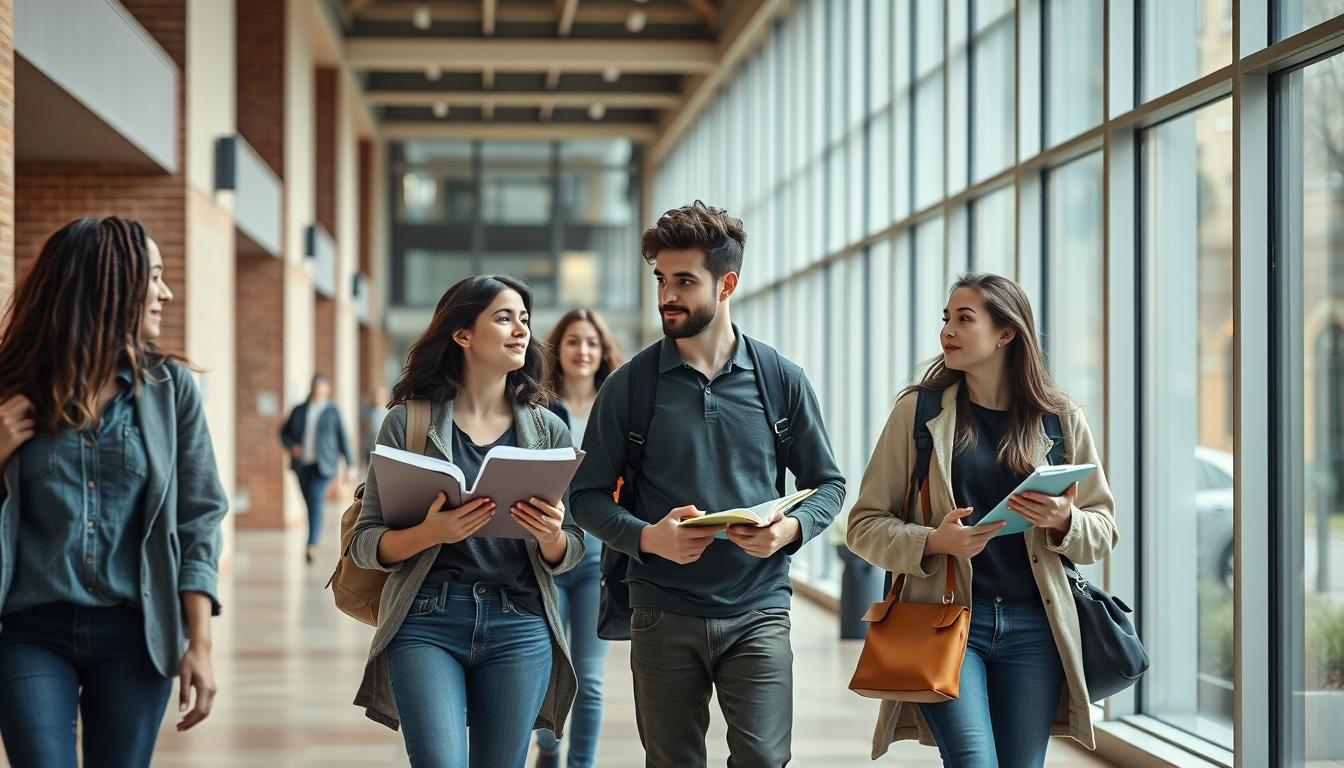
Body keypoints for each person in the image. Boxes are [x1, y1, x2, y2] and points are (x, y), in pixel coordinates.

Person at [570, 201, 846, 767]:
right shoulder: (629, 387)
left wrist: (790, 530)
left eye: (684, 281)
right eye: (661, 280)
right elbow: (585, 497)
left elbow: (830, 485)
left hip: (760, 607)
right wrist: (649, 538)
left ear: (727, 284)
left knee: (765, 759)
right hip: (661, 610)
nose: (666, 295)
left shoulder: (780, 380)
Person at [846, 273, 1119, 767]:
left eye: (963, 319)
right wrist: (933, 541)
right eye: (946, 319)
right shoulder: (918, 413)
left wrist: (1063, 520)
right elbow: (863, 524)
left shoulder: (1060, 419)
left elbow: (1103, 532)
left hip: (1036, 628)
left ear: (1006, 333)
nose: (947, 330)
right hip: (946, 622)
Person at [0, 217, 228, 767]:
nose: (165, 293)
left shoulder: (172, 392)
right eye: (152, 277)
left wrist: (200, 643)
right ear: (109, 284)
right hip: (29, 630)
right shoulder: (11, 388)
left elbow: (199, 518)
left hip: (136, 636)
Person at [348, 275, 586, 768]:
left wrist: (551, 537)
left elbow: (574, 548)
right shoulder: (407, 423)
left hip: (520, 623)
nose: (520, 330)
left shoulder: (549, 430)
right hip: (426, 621)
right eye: (504, 318)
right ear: (462, 334)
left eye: (524, 319)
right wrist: (430, 534)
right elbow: (364, 542)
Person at [533, 309, 623, 768]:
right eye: (572, 341)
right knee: (547, 672)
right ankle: (548, 749)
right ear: (558, 349)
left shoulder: (618, 404)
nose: (582, 350)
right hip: (543, 558)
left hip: (596, 562)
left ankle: (580, 764)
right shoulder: (537, 409)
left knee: (588, 679)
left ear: (602, 350)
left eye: (591, 342)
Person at [279, 373, 355, 564]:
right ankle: (312, 538)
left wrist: (350, 465)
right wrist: (292, 446)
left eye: (321, 387)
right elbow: (283, 433)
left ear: (327, 389)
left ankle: (311, 544)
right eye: (315, 386)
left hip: (324, 466)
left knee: (315, 499)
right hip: (302, 465)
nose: (317, 390)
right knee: (309, 502)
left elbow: (343, 438)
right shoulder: (299, 410)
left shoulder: (332, 412)